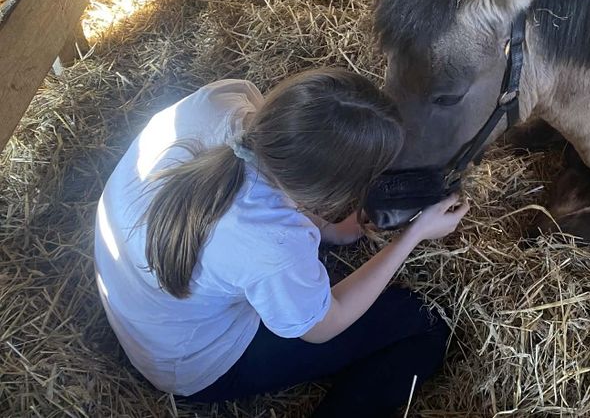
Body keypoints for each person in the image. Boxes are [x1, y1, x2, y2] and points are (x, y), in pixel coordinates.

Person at [93, 68, 469, 417]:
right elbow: (325, 325)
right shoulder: (276, 241)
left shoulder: (221, 103)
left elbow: (274, 174)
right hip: (193, 363)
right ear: (330, 193)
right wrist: (412, 236)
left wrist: (332, 228)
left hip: (143, 305)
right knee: (424, 322)